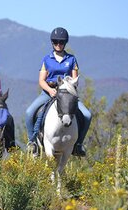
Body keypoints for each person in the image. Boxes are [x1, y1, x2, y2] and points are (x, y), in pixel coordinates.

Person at [25, 27, 92, 157]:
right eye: (55, 42)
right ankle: (32, 142)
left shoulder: (71, 59)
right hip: (49, 92)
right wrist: (50, 90)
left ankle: (78, 144)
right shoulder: (47, 59)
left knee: (87, 115)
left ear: (65, 43)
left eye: (61, 42)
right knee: (29, 112)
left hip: (67, 94)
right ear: (52, 43)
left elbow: (75, 80)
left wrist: (67, 87)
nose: (58, 45)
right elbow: (41, 80)